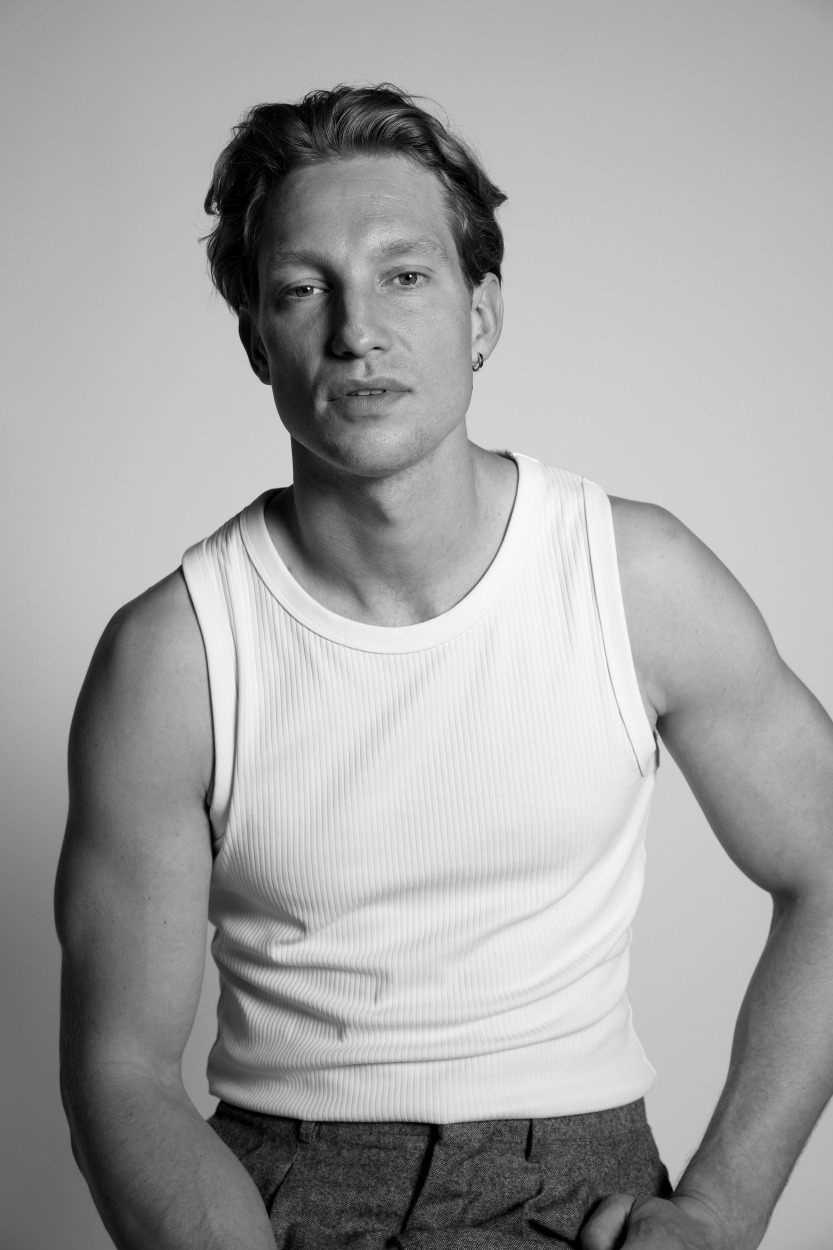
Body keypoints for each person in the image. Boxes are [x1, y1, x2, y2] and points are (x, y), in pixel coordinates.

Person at [55, 83, 833, 1250]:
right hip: (270, 1196)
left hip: (582, 1198)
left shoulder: (634, 577)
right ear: (256, 339)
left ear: (481, 314)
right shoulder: (173, 653)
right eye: (301, 287)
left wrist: (717, 1213)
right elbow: (120, 1067)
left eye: (404, 274)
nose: (355, 330)